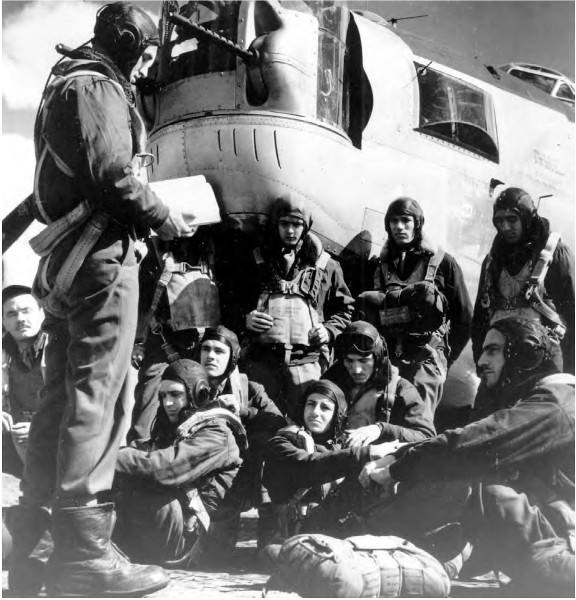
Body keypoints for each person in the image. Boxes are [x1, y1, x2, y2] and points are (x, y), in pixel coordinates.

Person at [10, 3, 196, 596]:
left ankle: (38, 541)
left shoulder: (66, 84)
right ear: (125, 40)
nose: (145, 67)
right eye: (145, 53)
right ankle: (83, 551)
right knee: (102, 396)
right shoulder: (97, 85)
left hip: (67, 262)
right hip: (103, 260)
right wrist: (164, 216)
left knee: (61, 396)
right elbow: (115, 175)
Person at [360, 317, 575, 597]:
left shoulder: (557, 403)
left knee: (474, 480)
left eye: (493, 350)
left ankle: (372, 547)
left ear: (525, 353)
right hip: (552, 537)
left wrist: (396, 469)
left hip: (563, 546)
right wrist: (399, 455)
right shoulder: (550, 398)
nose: (481, 361)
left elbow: (478, 443)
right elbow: (472, 438)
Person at [112, 359, 246, 569]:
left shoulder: (217, 434)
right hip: (180, 529)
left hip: (201, 544)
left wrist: (108, 459)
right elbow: (146, 449)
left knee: (144, 487)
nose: (167, 403)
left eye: (175, 394)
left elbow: (164, 468)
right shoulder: (182, 426)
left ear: (198, 393)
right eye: (163, 396)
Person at [357, 197, 473, 424]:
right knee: (378, 422)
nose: (399, 227)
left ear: (417, 224)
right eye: (393, 221)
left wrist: (444, 358)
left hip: (426, 359)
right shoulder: (380, 266)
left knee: (416, 426)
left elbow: (465, 318)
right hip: (388, 359)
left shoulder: (443, 263)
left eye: (405, 220)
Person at [238, 194, 354, 419]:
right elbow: (233, 303)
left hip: (307, 364)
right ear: (275, 224)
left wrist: (329, 331)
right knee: (261, 424)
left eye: (297, 224)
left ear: (306, 226)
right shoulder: (255, 261)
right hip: (262, 365)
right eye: (284, 224)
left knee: (304, 424)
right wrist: (246, 318)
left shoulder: (326, 266)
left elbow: (346, 309)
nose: (290, 231)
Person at [262, 379, 399, 547]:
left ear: (337, 414)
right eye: (311, 404)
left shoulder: (345, 446)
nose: (315, 412)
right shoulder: (284, 440)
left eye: (325, 408)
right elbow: (310, 465)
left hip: (332, 536)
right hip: (287, 540)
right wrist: (368, 453)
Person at [128, 227, 222, 442]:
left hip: (201, 345)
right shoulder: (150, 248)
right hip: (160, 344)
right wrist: (138, 341)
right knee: (145, 415)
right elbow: (138, 299)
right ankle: (138, 454)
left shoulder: (212, 246)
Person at [472, 186, 575, 374]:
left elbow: (573, 315)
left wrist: (571, 374)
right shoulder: (492, 261)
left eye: (512, 219)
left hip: (542, 363)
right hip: (500, 362)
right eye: (499, 221)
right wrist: (481, 362)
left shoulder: (555, 254)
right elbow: (480, 318)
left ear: (527, 218)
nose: (505, 227)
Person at [198, 326, 286, 544]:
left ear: (232, 358)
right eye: (206, 349)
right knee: (214, 552)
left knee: (265, 441)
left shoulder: (250, 389)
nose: (211, 356)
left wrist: (243, 411)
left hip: (240, 475)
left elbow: (279, 422)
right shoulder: (187, 384)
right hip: (199, 468)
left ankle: (269, 533)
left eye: (219, 351)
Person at [322, 320, 436, 447]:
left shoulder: (401, 389)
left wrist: (381, 430)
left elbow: (427, 437)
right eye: (349, 361)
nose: (356, 370)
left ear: (378, 359)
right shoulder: (331, 380)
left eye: (364, 361)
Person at [2, 285, 46, 478]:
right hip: (16, 443)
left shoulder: (60, 349)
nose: (20, 319)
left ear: (41, 313)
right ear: (3, 321)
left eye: (26, 311)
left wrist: (41, 428)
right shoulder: (3, 352)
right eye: (11, 314)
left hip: (57, 439)